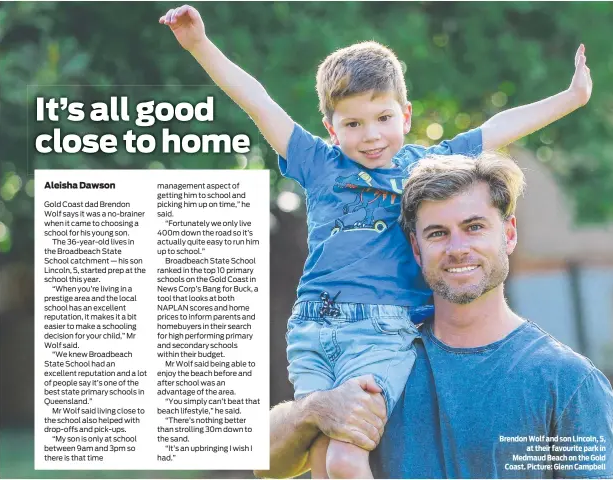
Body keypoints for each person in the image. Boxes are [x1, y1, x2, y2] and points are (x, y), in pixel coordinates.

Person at [159, 6, 594, 477]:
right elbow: (258, 102)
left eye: (383, 117)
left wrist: (571, 98)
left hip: (380, 329)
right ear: (331, 128)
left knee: (345, 457)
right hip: (312, 327)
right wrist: (199, 45)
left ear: (405, 114)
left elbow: (500, 128)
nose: (371, 136)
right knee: (321, 457)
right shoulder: (320, 164)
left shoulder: (425, 167)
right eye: (353, 124)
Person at [255, 152, 613, 479]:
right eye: (438, 233)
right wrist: (314, 409)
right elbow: (266, 465)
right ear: (416, 248)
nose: (458, 249)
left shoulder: (566, 381)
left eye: (474, 227)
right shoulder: (373, 351)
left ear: (508, 233)